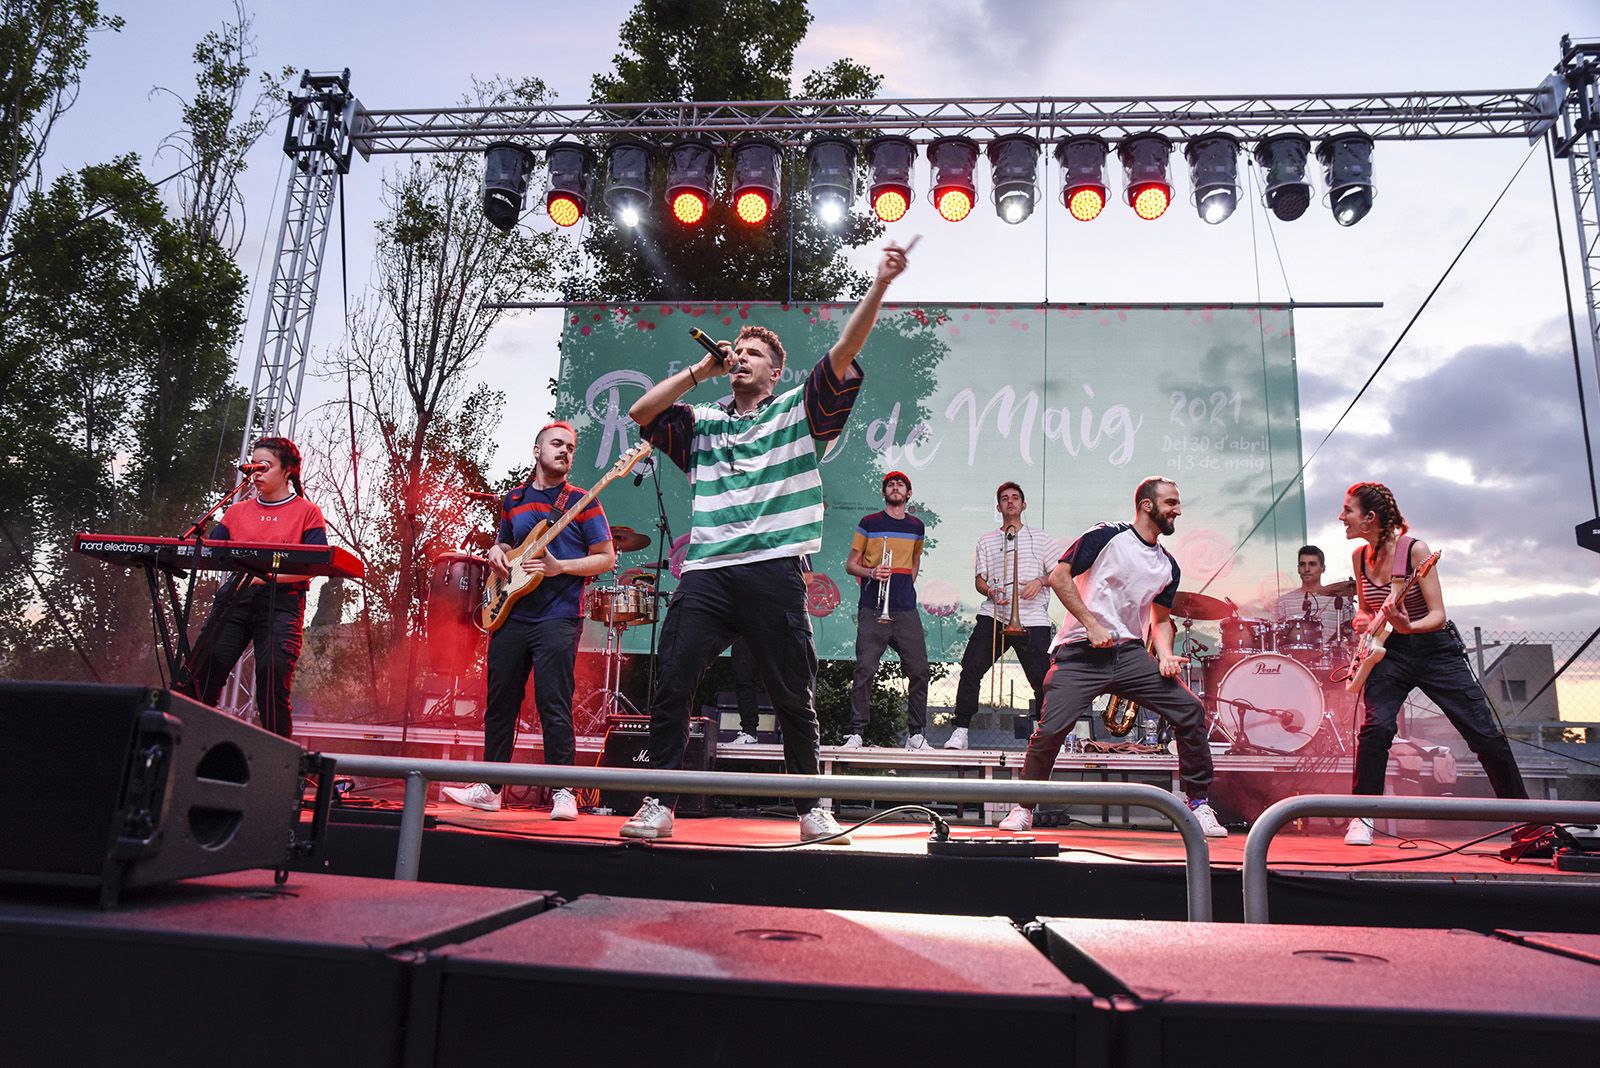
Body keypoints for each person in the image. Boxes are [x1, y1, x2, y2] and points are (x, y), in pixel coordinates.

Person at [621, 240, 912, 842]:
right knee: (674, 678)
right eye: (739, 352)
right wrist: (702, 370)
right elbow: (642, 414)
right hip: (706, 572)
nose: (743, 358)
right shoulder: (704, 422)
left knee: (792, 693)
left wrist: (879, 286)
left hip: (775, 568)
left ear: (776, 371)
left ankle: (812, 805)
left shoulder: (797, 413)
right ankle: (659, 801)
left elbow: (846, 350)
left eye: (755, 353)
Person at [997, 477, 1228, 838]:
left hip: (1131, 654)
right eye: (1171, 503)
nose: (1177, 510)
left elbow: (1162, 620)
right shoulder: (1107, 535)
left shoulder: (1168, 566)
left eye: (1177, 503)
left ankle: (1198, 804)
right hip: (1079, 653)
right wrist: (1091, 624)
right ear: (1147, 505)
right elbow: (1059, 577)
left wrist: (1165, 654)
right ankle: (1024, 805)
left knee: (1189, 710)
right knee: (1051, 729)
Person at [442, 422, 615, 818]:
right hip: (511, 613)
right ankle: (490, 787)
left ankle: (564, 791)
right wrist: (496, 551)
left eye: (571, 447)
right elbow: (506, 540)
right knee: (500, 702)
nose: (565, 451)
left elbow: (606, 557)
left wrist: (560, 567)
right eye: (557, 444)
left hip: (557, 615)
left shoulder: (583, 500)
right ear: (536, 451)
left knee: (553, 702)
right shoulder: (513, 498)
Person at [1339, 482, 1527, 846]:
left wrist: (1408, 625)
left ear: (1370, 518)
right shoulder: (1360, 557)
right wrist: (1364, 619)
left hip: (1434, 650)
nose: (1341, 516)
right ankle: (1362, 816)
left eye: (1348, 510)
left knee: (1484, 734)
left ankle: (1526, 819)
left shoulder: (1415, 551)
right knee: (1376, 729)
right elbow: (1366, 607)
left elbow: (1438, 615)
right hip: (1389, 652)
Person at [187, 436, 326, 740]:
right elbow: (211, 551)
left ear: (288, 470)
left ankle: (279, 769)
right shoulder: (236, 511)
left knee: (272, 676)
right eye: (253, 467)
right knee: (201, 674)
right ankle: (189, 748)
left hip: (282, 602)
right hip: (235, 599)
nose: (256, 474)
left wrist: (265, 578)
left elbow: (313, 567)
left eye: (265, 466)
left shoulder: (307, 512)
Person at [944, 482, 1059, 750]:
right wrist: (991, 591)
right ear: (998, 507)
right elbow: (980, 581)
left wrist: (1040, 582)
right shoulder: (986, 540)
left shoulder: (1041, 538)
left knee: (1043, 680)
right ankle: (961, 730)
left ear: (1023, 504)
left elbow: (1058, 574)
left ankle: (1049, 737)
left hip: (1032, 617)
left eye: (1015, 498)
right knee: (971, 667)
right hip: (994, 613)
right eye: (1004, 499)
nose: (1010, 502)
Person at [842, 471, 930, 749]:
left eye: (900, 484)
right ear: (884, 493)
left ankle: (916, 735)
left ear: (908, 493)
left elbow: (915, 561)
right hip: (872, 607)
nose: (895, 488)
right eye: (890, 485)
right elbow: (851, 564)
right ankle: (856, 733)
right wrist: (871, 572)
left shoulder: (917, 526)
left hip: (904, 608)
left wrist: (904, 586)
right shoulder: (868, 523)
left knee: (919, 670)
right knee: (865, 669)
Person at [1272, 544, 1349, 641]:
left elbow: (1353, 638)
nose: (1307, 569)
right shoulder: (1283, 602)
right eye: (1302, 564)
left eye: (1312, 564)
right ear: (1298, 569)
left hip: (1333, 656)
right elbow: (1274, 639)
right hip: (1293, 655)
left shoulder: (1341, 600)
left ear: (1323, 568)